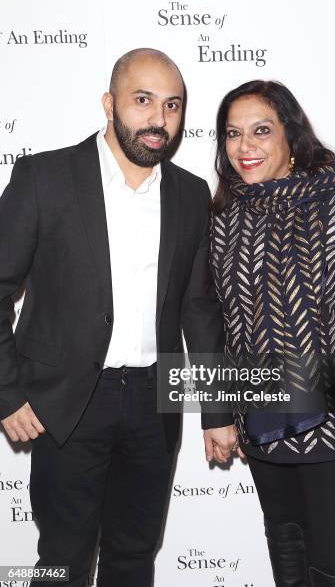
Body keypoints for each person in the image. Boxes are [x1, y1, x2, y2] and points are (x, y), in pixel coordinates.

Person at [0, 48, 232, 587]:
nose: (159, 120)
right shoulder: (44, 177)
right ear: (110, 104)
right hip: (68, 401)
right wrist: (6, 393)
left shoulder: (190, 194)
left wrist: (218, 412)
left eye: (172, 106)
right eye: (144, 100)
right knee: (62, 562)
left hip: (156, 402)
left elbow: (199, 311)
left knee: (133, 557)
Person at [206, 80, 335, 586]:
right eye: (233, 134)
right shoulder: (226, 214)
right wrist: (224, 411)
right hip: (260, 404)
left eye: (261, 131)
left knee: (334, 558)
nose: (244, 147)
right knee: (285, 541)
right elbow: (223, 320)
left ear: (290, 137)